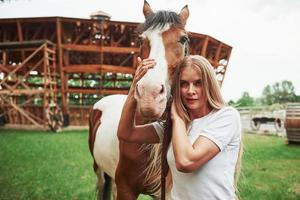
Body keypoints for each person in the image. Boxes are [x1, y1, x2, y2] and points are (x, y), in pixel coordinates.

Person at [117, 55, 242, 200]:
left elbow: (186, 162)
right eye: (183, 84)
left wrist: (177, 117)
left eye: (198, 83)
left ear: (209, 84)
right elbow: (126, 133)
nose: (190, 90)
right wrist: (135, 87)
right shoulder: (173, 127)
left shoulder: (226, 117)